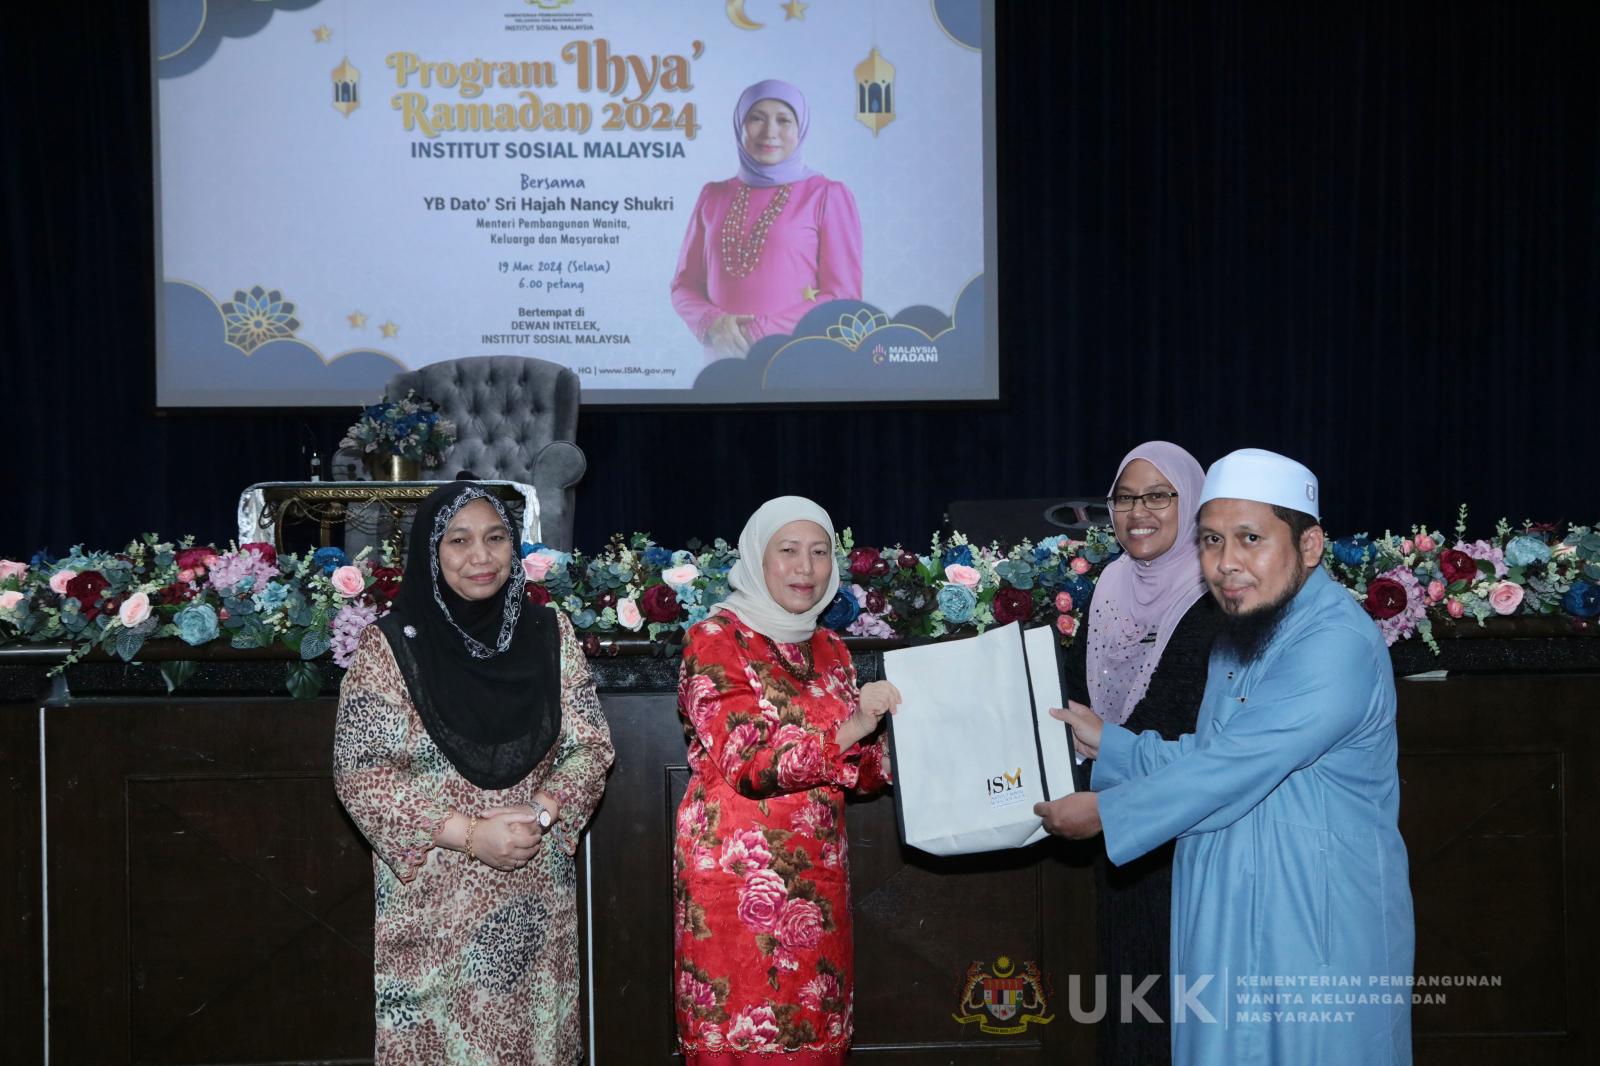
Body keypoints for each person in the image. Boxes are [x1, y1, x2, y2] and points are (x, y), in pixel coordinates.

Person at [1040, 448, 1414, 1065]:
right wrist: (1113, 745)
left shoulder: (1336, 641)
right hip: (1225, 905)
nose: (1226, 563)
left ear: (1310, 545)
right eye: (1212, 540)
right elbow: (1211, 753)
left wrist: (1107, 812)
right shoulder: (1245, 631)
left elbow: (1234, 766)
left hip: (1314, 920)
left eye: (1250, 539)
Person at [333, 482, 615, 1064]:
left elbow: (590, 745)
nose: (480, 557)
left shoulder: (550, 633)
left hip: (533, 887)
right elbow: (361, 774)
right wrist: (471, 835)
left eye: (495, 538)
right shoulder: (389, 646)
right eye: (459, 541)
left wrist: (541, 813)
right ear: (430, 553)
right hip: (435, 899)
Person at [672, 496, 901, 1063]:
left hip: (818, 884)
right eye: (789, 551)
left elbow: (859, 773)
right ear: (757, 558)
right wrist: (855, 727)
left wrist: (910, 750)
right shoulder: (713, 639)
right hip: (737, 887)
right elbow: (751, 765)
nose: (806, 568)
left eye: (820, 552)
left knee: (815, 1044)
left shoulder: (832, 648)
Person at [1046, 441, 1218, 1066]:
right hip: (1115, 825)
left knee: (1179, 1004)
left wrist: (1097, 758)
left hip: (1183, 830)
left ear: (1191, 503)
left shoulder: (1215, 598)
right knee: (1130, 997)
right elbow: (1075, 692)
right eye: (1124, 498)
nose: (1138, 512)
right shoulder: (1112, 585)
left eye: (1158, 496)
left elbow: (1173, 715)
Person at [671, 80, 863, 361]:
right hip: (722, 360)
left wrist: (759, 332)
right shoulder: (713, 196)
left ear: (801, 128)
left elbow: (843, 296)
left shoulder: (826, 195)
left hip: (795, 360)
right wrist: (713, 323)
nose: (770, 132)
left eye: (783, 120)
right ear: (740, 125)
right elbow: (684, 285)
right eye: (757, 118)